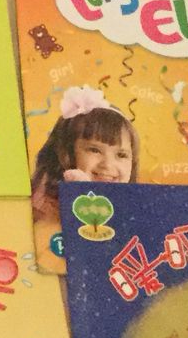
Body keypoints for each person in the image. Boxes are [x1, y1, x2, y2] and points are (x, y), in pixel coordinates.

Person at [29, 86, 138, 259]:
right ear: (66, 152)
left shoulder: (132, 207)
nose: (108, 165)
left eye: (121, 155)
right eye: (94, 150)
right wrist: (78, 193)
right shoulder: (46, 204)